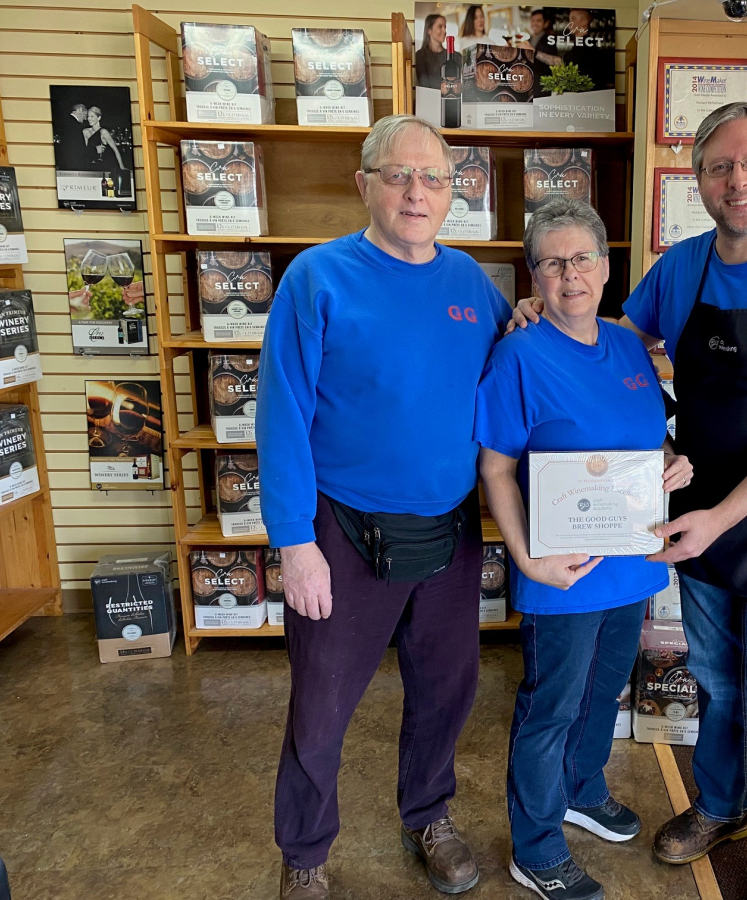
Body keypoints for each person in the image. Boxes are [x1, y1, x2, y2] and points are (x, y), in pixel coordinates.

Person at [512, 102, 747, 900]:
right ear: (699, 180)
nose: (736, 181)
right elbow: (615, 346)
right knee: (715, 681)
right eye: (718, 167)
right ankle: (721, 805)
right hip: (697, 519)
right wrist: (547, 311)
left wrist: (718, 514)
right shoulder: (682, 270)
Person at [258, 114, 511, 900]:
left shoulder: (474, 285)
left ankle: (427, 815)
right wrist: (294, 542)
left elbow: (522, 386)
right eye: (398, 175)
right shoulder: (317, 278)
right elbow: (282, 414)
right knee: (321, 710)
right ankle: (304, 856)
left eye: (433, 177)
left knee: (447, 692)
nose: (416, 191)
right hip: (341, 535)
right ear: (363, 184)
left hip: (450, 532)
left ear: (452, 192)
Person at [477, 198, 693, 900]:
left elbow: (647, 440)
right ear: (534, 275)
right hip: (560, 574)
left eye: (582, 258)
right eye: (552, 261)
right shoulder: (517, 356)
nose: (569, 273)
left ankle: (582, 787)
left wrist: (672, 463)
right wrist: (526, 559)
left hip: (630, 568)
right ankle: (536, 848)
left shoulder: (630, 347)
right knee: (552, 706)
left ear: (605, 266)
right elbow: (497, 469)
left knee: (603, 693)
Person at [83, 106, 130, 196]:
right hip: (89, 166)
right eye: (88, 116)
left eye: (92, 116)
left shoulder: (103, 132)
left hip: (102, 166)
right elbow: (86, 151)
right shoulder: (85, 131)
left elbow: (115, 149)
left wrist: (121, 166)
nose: (89, 119)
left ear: (99, 118)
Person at [414, 14, 448, 90]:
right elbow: (424, 84)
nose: (444, 31)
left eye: (445, 27)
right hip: (430, 100)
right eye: (440, 27)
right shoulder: (420, 56)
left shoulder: (455, 56)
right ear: (429, 30)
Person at [53, 102, 89, 171]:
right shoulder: (73, 126)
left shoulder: (67, 122)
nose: (85, 118)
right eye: (85, 114)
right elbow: (77, 148)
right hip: (72, 166)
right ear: (79, 110)